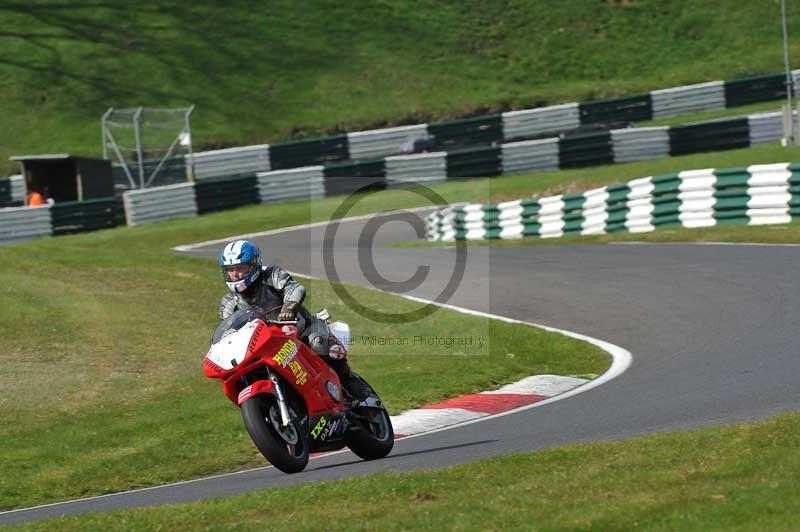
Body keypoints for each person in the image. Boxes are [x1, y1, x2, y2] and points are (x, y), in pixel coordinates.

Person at [218, 239, 369, 400]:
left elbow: (295, 288)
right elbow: (228, 330)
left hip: (301, 328)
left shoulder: (271, 275)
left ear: (254, 265)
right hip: (266, 346)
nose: (234, 274)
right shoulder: (229, 302)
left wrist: (288, 308)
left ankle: (350, 382)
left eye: (240, 268)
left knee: (321, 345)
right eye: (230, 270)